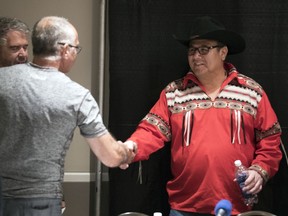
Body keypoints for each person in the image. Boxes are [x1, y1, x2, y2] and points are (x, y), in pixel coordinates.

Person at [123, 16, 282, 215]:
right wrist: (130, 148)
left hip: (236, 207)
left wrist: (260, 171)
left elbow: (271, 141)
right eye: (192, 50)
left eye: (204, 49)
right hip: (184, 207)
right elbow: (151, 131)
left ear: (223, 52)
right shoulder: (175, 93)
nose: (196, 56)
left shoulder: (251, 92)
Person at [0, 16, 135, 216]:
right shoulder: (77, 96)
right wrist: (126, 152)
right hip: (39, 203)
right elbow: (111, 156)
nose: (75, 53)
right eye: (76, 48)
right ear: (64, 50)